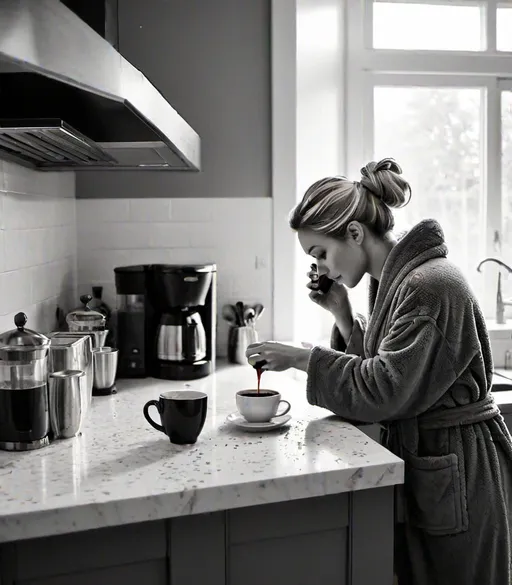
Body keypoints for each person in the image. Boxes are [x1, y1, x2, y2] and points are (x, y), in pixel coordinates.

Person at [245, 158, 512, 585]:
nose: (322, 270)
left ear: (354, 233)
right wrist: (342, 314)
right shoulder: (396, 282)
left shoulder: (431, 285)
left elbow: (386, 388)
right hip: (435, 466)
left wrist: (301, 358)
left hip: (460, 476)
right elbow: (393, 367)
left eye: (322, 254)